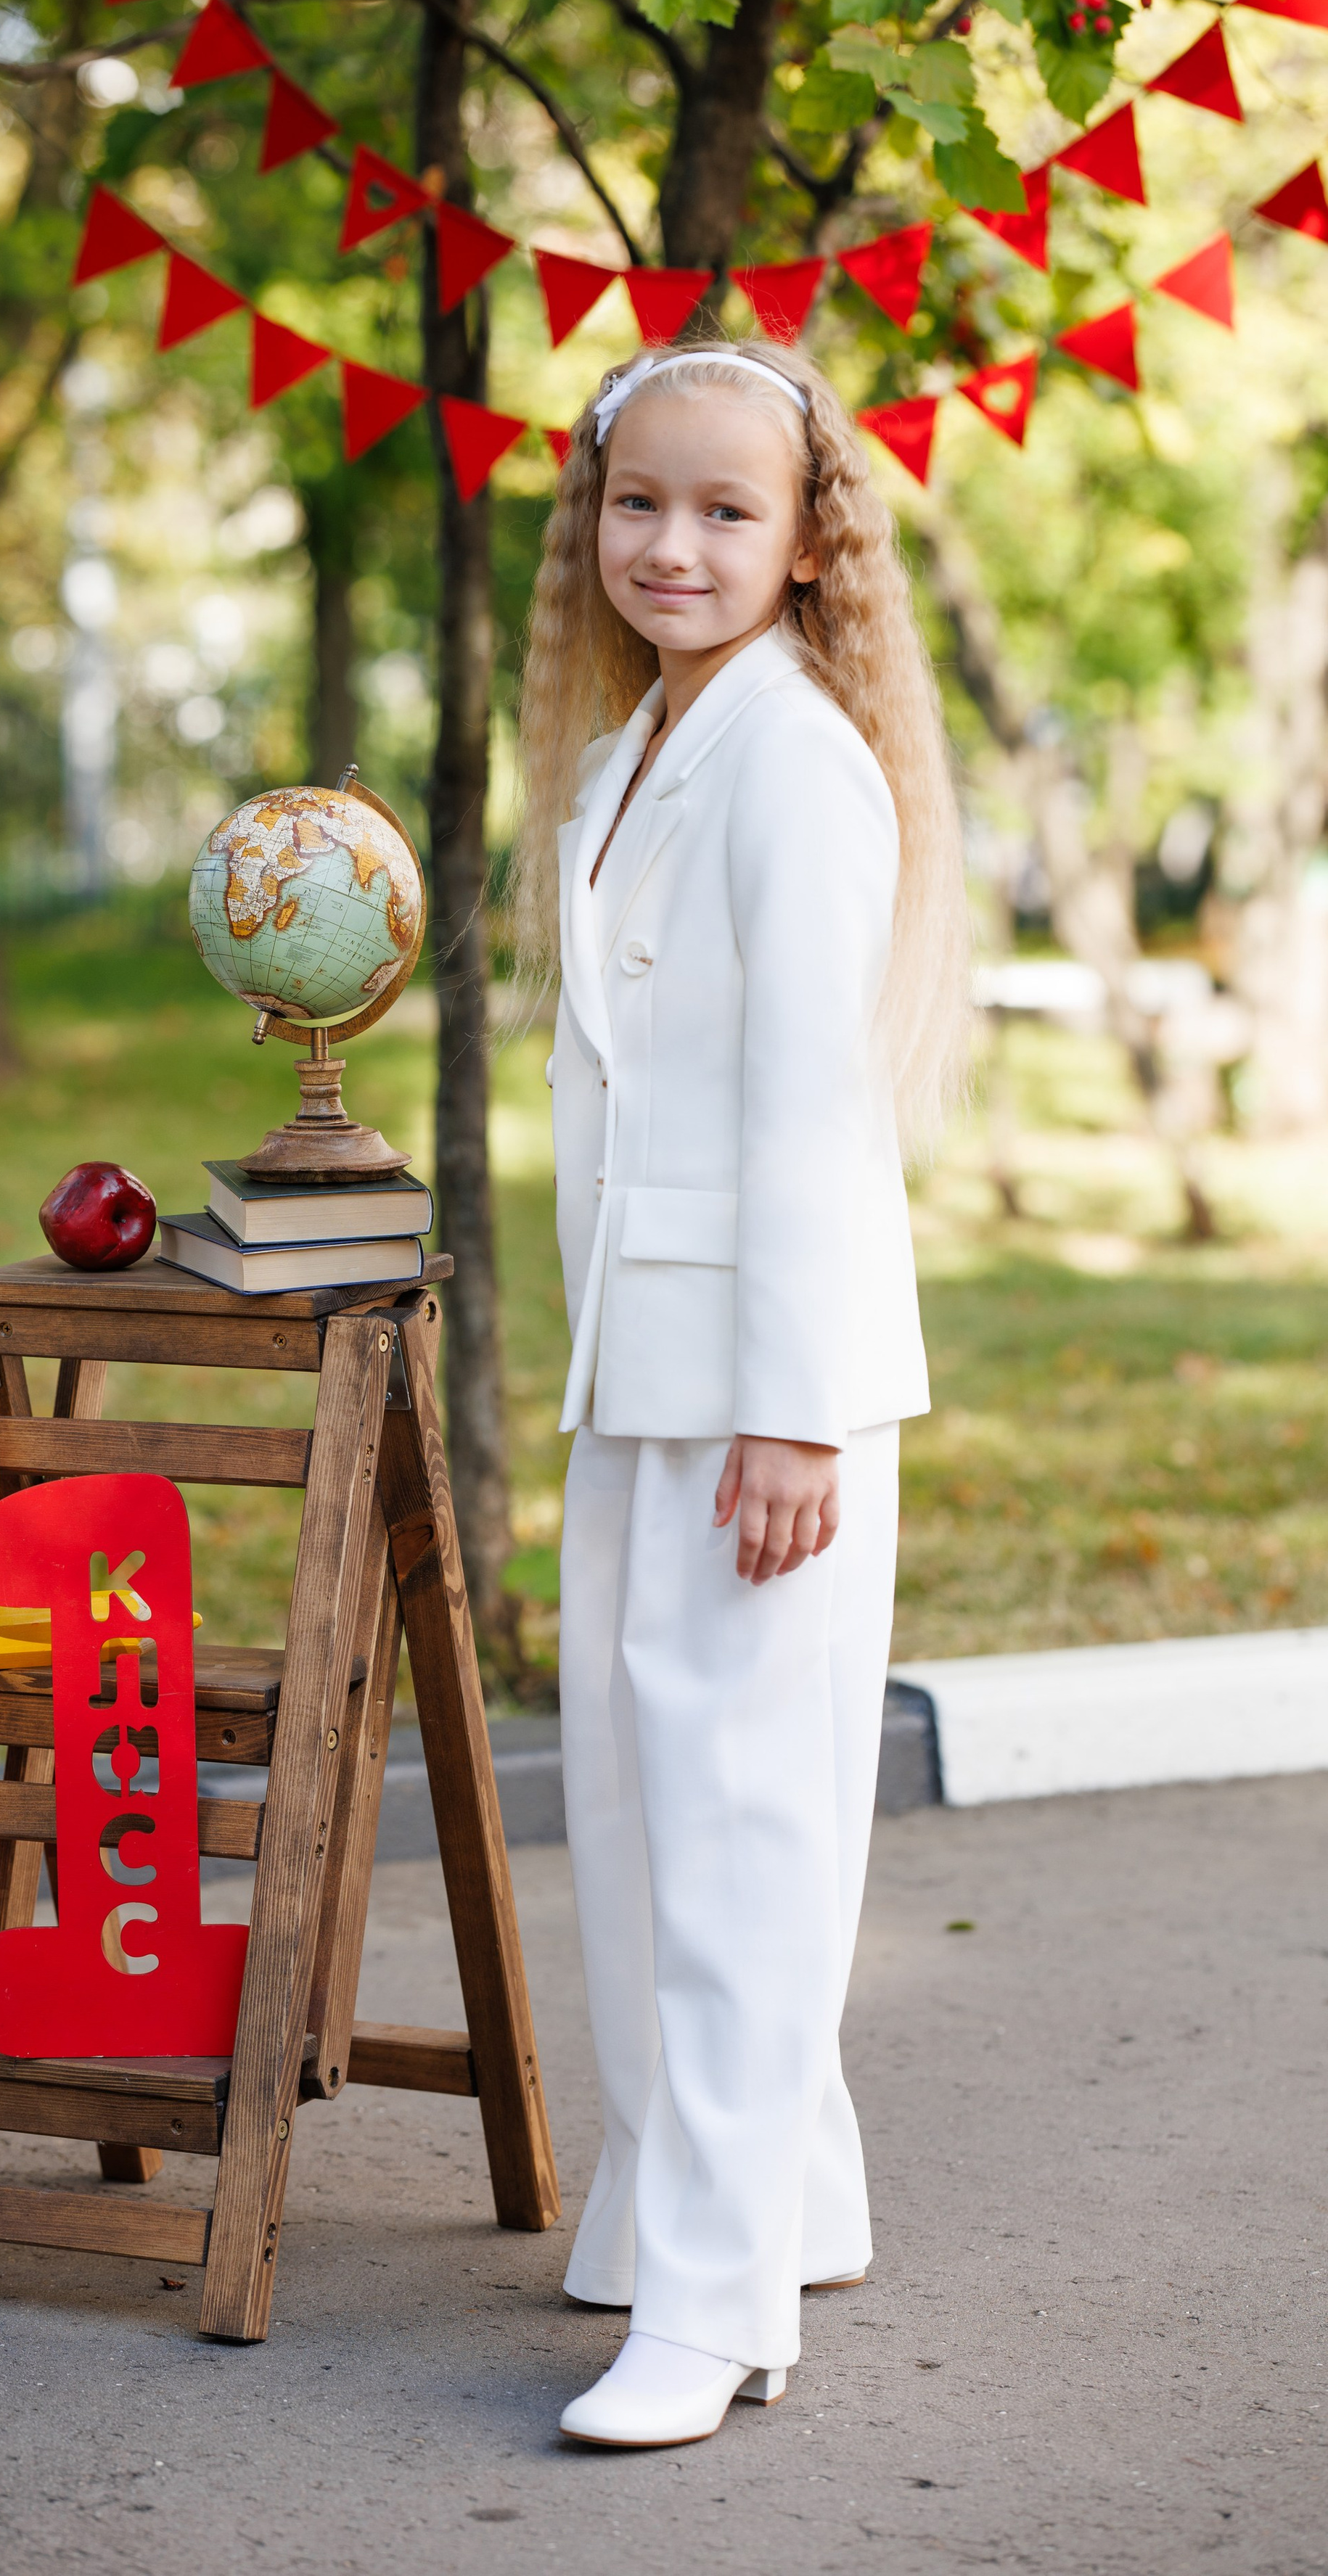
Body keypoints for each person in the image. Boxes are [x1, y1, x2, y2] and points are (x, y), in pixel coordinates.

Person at [511, 334, 972, 2450]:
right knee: (645, 1796)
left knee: (740, 1826)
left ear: (805, 549)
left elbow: (813, 1115)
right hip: (649, 1361)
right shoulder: (633, 763)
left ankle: (718, 2313)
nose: (670, 545)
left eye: (723, 511)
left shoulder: (794, 764)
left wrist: (797, 1409)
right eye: (637, 505)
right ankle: (777, 2193)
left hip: (760, 1388)